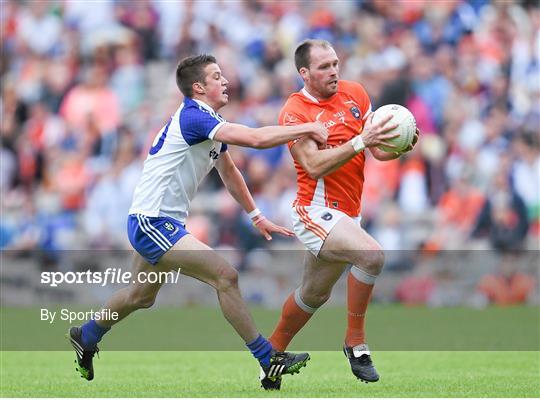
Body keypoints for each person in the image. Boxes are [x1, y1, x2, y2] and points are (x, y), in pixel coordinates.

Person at [67, 54, 329, 385]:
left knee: (140, 296)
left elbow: (229, 171)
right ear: (199, 88)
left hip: (157, 221)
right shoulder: (195, 116)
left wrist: (256, 215)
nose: (225, 81)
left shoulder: (206, 122)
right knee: (226, 276)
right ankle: (268, 358)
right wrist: (307, 126)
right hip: (153, 221)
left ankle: (86, 335)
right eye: (217, 76)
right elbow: (255, 139)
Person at [263, 39, 419, 390]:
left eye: (335, 63)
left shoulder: (355, 94)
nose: (333, 70)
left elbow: (375, 152)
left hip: (348, 214)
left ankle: (269, 358)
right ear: (304, 73)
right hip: (313, 211)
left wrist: (400, 144)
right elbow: (313, 166)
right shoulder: (295, 111)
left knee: (313, 295)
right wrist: (362, 142)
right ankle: (355, 343)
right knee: (372, 256)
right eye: (323, 67)